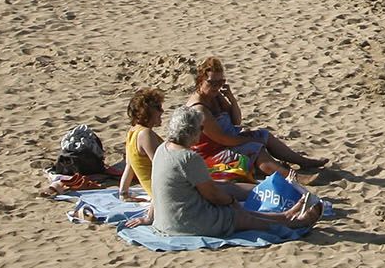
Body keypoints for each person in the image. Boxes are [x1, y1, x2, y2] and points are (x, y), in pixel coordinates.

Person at [151, 104, 322, 236]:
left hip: (166, 219)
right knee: (238, 215)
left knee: (235, 209)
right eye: (201, 129)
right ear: (191, 131)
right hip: (186, 223)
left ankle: (285, 216)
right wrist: (230, 200)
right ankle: (293, 222)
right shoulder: (188, 158)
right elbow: (213, 195)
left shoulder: (163, 149)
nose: (202, 133)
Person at [194, 57, 325, 173]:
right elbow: (223, 139)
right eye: (212, 83)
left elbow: (236, 121)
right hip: (212, 155)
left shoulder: (214, 96)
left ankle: (303, 161)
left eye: (220, 82)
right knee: (254, 148)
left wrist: (232, 99)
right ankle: (291, 177)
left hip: (228, 142)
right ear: (201, 80)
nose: (216, 87)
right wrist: (249, 140)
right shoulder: (200, 109)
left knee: (264, 135)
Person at [116, 88, 165, 203]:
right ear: (146, 111)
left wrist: (123, 193)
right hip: (162, 192)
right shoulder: (146, 134)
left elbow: (130, 165)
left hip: (156, 190)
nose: (162, 111)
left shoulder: (132, 132)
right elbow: (162, 166)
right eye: (158, 107)